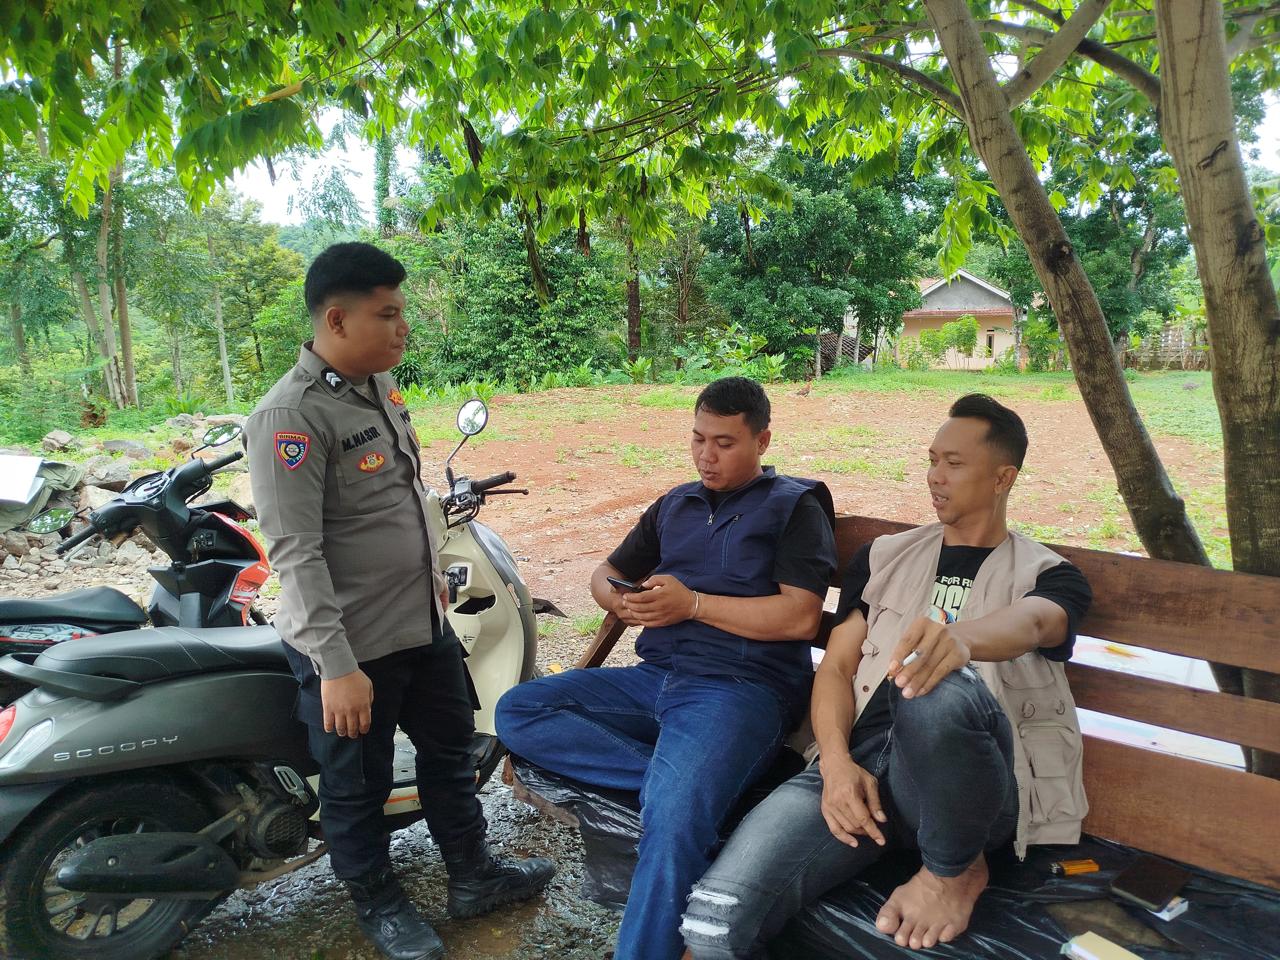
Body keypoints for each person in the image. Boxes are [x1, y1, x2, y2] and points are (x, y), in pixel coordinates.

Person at [680, 393, 1093, 958]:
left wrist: (962, 640)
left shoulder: (1049, 575)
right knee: (712, 923)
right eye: (932, 460)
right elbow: (836, 668)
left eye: (954, 463)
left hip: (967, 790)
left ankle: (954, 872)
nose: (935, 476)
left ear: (1003, 478)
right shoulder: (885, 557)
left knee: (935, 682)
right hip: (860, 773)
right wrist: (834, 764)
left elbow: (1039, 621)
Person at [246, 242, 554, 960]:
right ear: (337, 319)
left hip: (421, 624)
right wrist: (336, 668)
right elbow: (296, 552)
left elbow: (401, 496)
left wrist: (433, 578)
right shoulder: (290, 416)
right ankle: (379, 905)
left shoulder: (378, 387)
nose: (402, 327)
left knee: (450, 756)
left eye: (401, 313)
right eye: (387, 314)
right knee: (358, 785)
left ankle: (473, 875)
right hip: (351, 647)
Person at [496, 376, 837, 960]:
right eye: (699, 439)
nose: (707, 455)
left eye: (725, 443)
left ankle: (676, 823)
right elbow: (605, 573)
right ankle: (680, 784)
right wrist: (620, 601)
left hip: (737, 689)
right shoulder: (677, 504)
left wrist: (695, 605)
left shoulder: (793, 506)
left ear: (762, 441)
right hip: (653, 680)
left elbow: (802, 616)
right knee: (518, 710)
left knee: (673, 823)